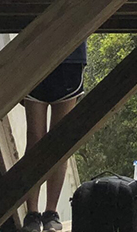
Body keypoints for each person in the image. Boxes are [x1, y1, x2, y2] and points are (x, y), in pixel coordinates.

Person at [22, 42, 87, 232]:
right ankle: (32, 213)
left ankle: (51, 211)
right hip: (34, 52)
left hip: (70, 56)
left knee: (59, 141)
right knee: (35, 138)